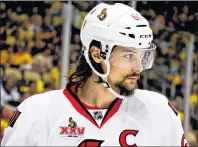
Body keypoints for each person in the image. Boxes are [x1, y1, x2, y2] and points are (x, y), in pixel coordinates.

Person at [1, 3, 188, 146]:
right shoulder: (37, 113)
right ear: (97, 54)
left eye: (142, 56)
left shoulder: (158, 111)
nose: (138, 67)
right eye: (129, 55)